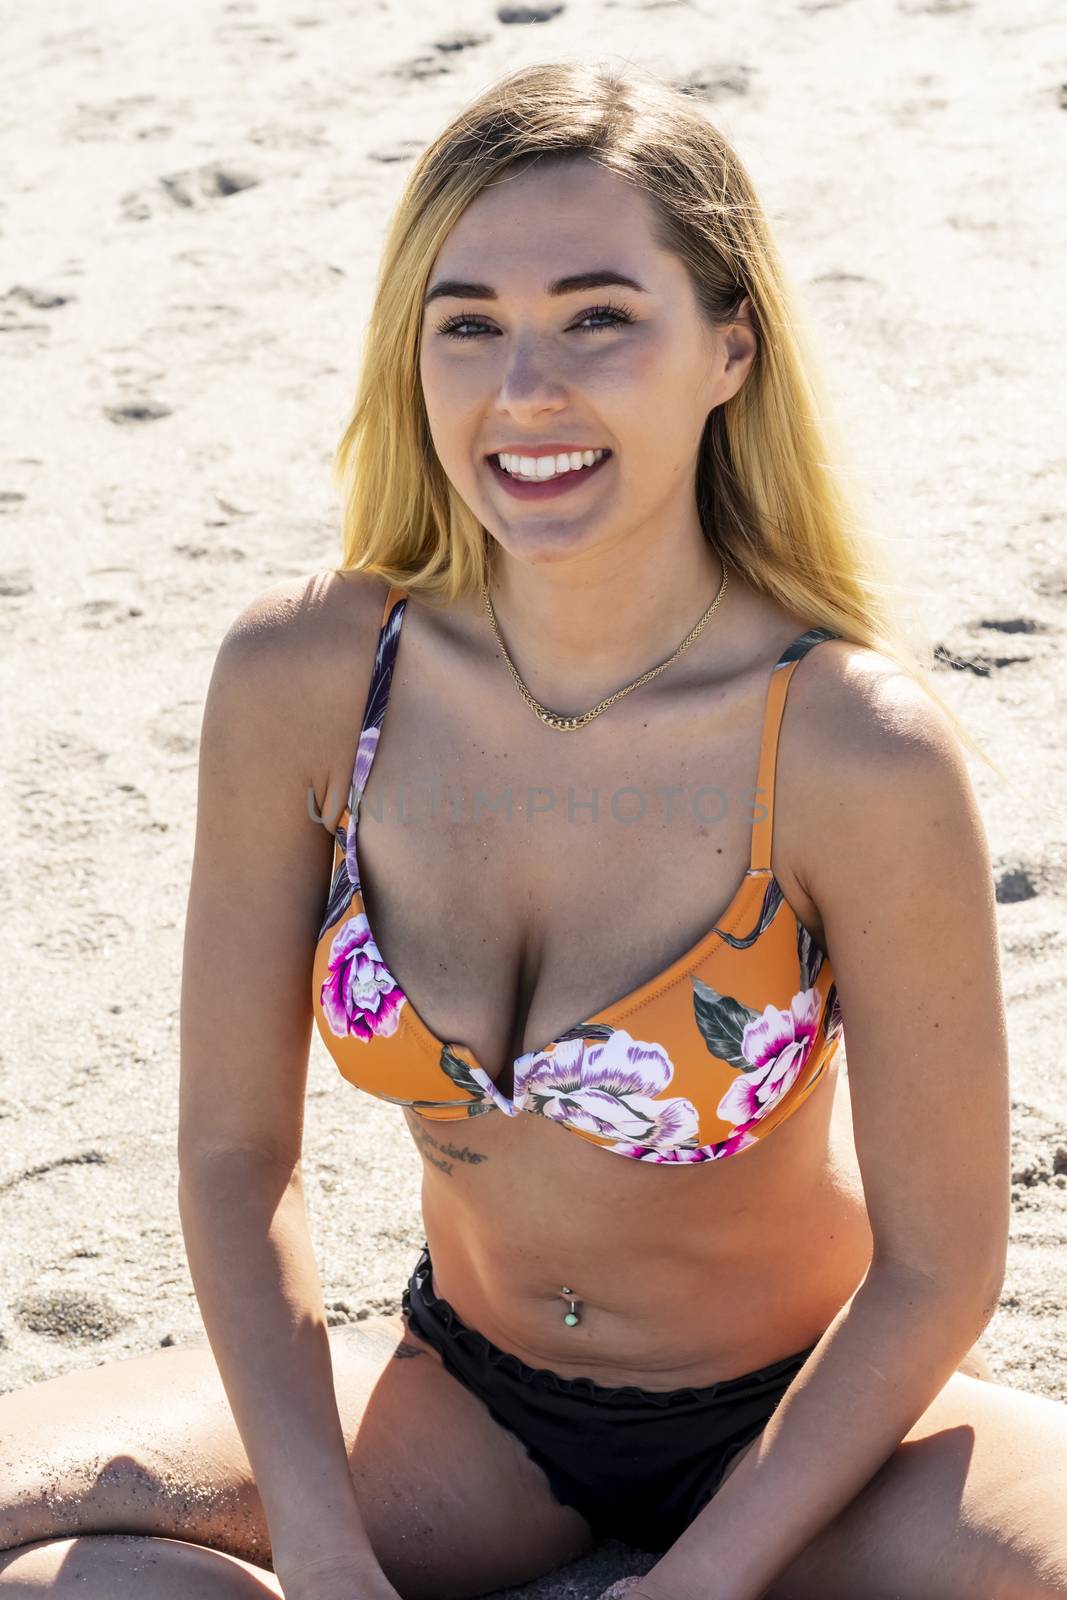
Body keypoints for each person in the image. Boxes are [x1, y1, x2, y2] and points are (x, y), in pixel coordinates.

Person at [2, 57, 1065, 1600]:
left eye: (598, 317)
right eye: (472, 326)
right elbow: (239, 1157)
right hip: (467, 1406)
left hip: (823, 1427)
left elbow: (939, 1267)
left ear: (730, 350)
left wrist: (707, 1579)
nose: (526, 393)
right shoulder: (310, 679)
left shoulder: (848, 747)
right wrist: (321, 1546)